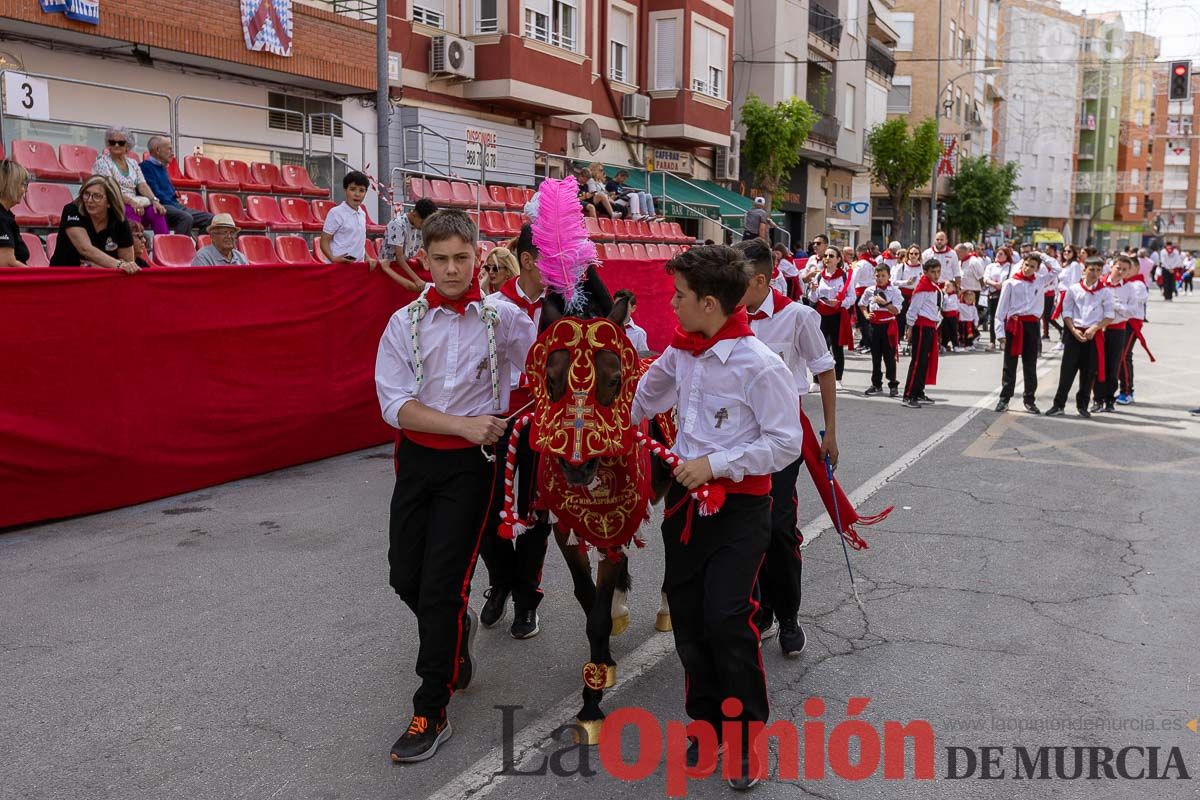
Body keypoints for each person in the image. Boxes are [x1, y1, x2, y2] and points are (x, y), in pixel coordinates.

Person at [632, 244, 803, 789]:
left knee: (727, 618)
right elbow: (648, 397)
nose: (673, 306)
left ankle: (747, 735)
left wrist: (717, 463)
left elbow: (785, 443)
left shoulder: (761, 365)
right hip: (685, 505)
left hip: (740, 507)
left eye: (679, 297)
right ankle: (705, 724)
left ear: (710, 303)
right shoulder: (682, 350)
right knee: (688, 619)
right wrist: (618, 412)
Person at [375, 209, 537, 763]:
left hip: (473, 469)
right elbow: (395, 405)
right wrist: (463, 423)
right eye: (439, 259)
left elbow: (540, 366)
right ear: (423, 259)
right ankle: (454, 630)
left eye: (460, 258)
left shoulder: (504, 318)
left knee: (442, 585)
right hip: (418, 461)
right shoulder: (405, 322)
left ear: (478, 257)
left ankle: (431, 708)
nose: (450, 269)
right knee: (405, 576)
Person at [735, 237, 836, 658]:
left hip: (783, 433)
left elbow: (824, 371)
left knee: (778, 526)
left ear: (761, 279)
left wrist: (831, 431)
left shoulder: (798, 317)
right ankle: (760, 610)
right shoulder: (730, 316)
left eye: (738, 280)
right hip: (740, 433)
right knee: (745, 526)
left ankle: (788, 612)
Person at [476, 224, 552, 639]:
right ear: (527, 261)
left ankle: (527, 599)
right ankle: (501, 581)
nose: (562, 270)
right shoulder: (491, 306)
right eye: (552, 262)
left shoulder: (567, 306)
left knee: (536, 512)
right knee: (488, 513)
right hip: (499, 420)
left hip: (546, 423)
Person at [1045, 258, 1113, 419]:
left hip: (1093, 334)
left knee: (1088, 373)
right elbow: (1066, 312)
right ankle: (1058, 404)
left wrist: (1094, 328)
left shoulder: (1105, 292)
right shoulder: (1074, 289)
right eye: (1091, 269)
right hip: (1074, 333)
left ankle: (1082, 405)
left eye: (1098, 270)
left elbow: (1109, 315)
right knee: (1067, 371)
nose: (1095, 273)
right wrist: (1074, 330)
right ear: (1084, 270)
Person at [993, 252, 1056, 414]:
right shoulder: (1011, 283)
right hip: (1014, 324)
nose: (1028, 269)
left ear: (1037, 269)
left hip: (1031, 326)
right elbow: (1001, 311)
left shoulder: (1040, 281)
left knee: (1030, 364)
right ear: (1021, 264)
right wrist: (1000, 333)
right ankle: (1004, 398)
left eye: (1032, 266)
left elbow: (1057, 270)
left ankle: (1029, 399)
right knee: (1010, 363)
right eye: (1026, 265)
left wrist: (1042, 255)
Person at [48, 176, 138, 273]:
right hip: (64, 277)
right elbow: (85, 249)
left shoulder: (119, 220)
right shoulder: (72, 210)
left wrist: (100, 267)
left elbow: (128, 262)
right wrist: (118, 265)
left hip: (103, 280)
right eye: (86, 194)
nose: (89, 200)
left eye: (97, 196)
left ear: (109, 202)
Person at [91, 127, 169, 236]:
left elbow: (142, 185)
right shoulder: (102, 162)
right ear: (108, 145)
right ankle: (135, 251)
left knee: (157, 212)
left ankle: (164, 250)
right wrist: (132, 202)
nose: (116, 145)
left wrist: (155, 201)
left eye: (121, 143)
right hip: (114, 202)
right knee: (134, 211)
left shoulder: (133, 163)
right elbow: (111, 189)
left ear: (127, 145)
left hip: (134, 202)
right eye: (112, 142)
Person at [142, 136, 214, 236]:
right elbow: (155, 194)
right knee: (186, 217)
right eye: (169, 149)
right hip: (162, 206)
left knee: (210, 218)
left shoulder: (162, 167)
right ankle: (178, 250)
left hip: (175, 206)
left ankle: (200, 249)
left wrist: (174, 194)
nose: (172, 153)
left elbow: (167, 191)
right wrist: (171, 196)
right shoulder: (145, 167)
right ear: (157, 150)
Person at [901, 259, 943, 408]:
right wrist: (910, 327)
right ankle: (908, 395)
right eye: (933, 272)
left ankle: (918, 392)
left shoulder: (932, 287)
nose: (936, 275)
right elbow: (913, 309)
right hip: (922, 326)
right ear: (925, 272)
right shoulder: (923, 287)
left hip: (930, 326)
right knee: (918, 361)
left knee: (925, 361)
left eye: (938, 271)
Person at [813, 245, 855, 389]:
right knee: (819, 347)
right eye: (825, 256)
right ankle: (816, 380)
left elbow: (852, 297)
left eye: (831, 256)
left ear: (838, 259)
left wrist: (839, 303)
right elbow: (813, 297)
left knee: (837, 348)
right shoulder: (819, 275)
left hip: (837, 315)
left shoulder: (844, 276)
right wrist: (812, 291)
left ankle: (837, 378)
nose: (827, 259)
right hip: (821, 315)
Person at [859, 263, 904, 397]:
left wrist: (884, 302)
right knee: (875, 356)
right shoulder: (870, 290)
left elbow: (896, 311)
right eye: (877, 276)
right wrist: (867, 315)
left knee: (889, 356)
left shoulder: (894, 291)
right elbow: (862, 304)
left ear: (889, 276)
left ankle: (893, 383)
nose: (880, 278)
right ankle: (876, 384)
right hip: (874, 326)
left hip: (888, 326)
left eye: (883, 276)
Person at [378, 197, 438, 290]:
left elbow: (426, 247)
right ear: (415, 214)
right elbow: (399, 258)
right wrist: (417, 279)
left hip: (403, 266)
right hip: (389, 268)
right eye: (423, 222)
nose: (424, 226)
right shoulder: (398, 224)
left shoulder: (420, 226)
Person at [320, 171, 376, 265]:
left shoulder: (362, 214)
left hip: (357, 268)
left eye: (361, 190)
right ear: (345, 189)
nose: (357, 194)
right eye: (353, 189)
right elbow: (324, 241)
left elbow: (359, 243)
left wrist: (368, 258)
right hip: (338, 268)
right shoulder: (335, 212)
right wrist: (333, 259)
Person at [983, 246, 1015, 350]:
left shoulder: (1011, 266)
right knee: (993, 318)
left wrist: (1003, 285)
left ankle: (1003, 340)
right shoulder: (991, 266)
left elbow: (1013, 279)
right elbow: (986, 278)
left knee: (1004, 318)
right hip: (993, 295)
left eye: (1001, 254)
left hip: (1005, 295)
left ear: (1006, 256)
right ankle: (992, 341)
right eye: (997, 253)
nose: (998, 255)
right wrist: (995, 284)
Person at [0, 159, 31, 268]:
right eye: (23, 184)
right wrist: (37, 277)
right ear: (11, 184)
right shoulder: (2, 218)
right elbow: (7, 263)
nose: (25, 190)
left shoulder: (5, 215)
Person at [893, 244, 925, 347]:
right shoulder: (902, 267)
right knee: (901, 318)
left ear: (919, 255)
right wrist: (906, 282)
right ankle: (898, 340)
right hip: (904, 295)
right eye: (911, 253)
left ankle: (912, 341)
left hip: (917, 295)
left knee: (915, 318)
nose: (914, 256)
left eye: (916, 253)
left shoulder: (923, 267)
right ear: (908, 254)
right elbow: (893, 282)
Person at [850, 243, 877, 350]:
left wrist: (850, 291)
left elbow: (853, 279)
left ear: (859, 252)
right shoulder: (873, 262)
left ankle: (867, 342)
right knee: (869, 318)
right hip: (872, 292)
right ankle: (865, 341)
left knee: (862, 320)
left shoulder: (861, 263)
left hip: (861, 293)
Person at [940, 282, 960, 352]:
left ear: (953, 288)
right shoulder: (944, 296)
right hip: (945, 316)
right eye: (945, 286)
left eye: (948, 286)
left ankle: (956, 345)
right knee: (945, 332)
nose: (946, 287)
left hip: (952, 317)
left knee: (953, 332)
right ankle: (944, 345)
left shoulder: (954, 296)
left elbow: (949, 303)